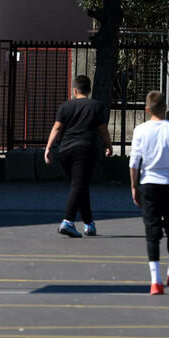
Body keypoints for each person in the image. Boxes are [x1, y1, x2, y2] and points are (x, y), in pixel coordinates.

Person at [129, 91, 169, 295]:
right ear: (165, 108)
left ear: (147, 109)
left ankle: (155, 280)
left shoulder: (140, 130)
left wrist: (134, 186)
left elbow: (134, 161)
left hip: (148, 184)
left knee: (152, 232)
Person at [44, 75, 112, 238]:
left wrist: (48, 148)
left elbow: (57, 129)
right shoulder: (96, 106)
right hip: (85, 149)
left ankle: (89, 224)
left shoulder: (65, 106)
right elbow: (102, 129)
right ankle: (67, 221)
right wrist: (108, 146)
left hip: (65, 151)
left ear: (74, 90)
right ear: (89, 90)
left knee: (80, 185)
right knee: (79, 185)